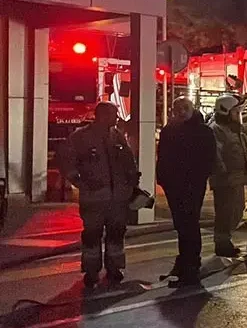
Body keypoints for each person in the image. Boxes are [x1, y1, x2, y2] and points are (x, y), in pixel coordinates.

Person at [59, 102, 139, 288]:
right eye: (114, 114)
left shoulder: (117, 136)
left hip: (117, 198)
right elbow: (66, 162)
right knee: (92, 235)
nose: (117, 118)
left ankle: (114, 268)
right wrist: (80, 183)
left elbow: (129, 161)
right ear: (102, 115)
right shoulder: (80, 137)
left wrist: (132, 181)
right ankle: (91, 271)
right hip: (94, 198)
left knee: (116, 234)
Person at [156, 97, 216, 286]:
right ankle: (185, 263)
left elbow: (209, 160)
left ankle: (190, 268)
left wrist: (197, 180)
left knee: (188, 226)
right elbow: (163, 157)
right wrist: (164, 180)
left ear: (192, 108)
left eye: (185, 108)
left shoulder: (203, 131)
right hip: (175, 187)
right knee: (183, 226)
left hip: (191, 187)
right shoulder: (169, 131)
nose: (181, 111)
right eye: (178, 108)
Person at [209, 94, 247, 257]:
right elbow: (215, 155)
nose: (237, 115)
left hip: (236, 178)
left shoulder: (233, 128)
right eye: (235, 111)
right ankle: (222, 244)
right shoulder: (216, 129)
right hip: (226, 180)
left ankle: (225, 240)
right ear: (225, 111)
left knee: (237, 210)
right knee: (225, 214)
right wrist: (223, 174)